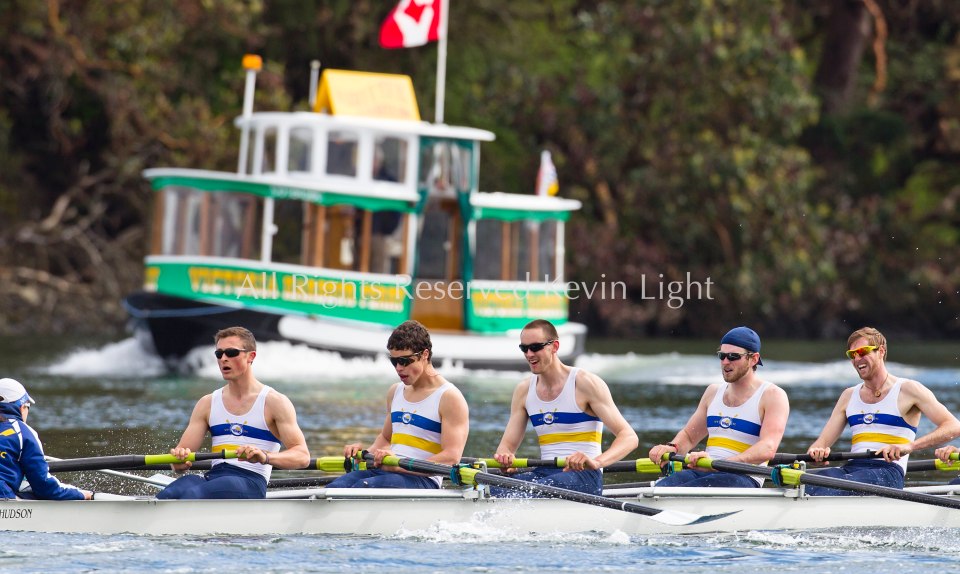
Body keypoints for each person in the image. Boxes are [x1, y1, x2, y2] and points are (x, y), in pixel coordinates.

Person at [156, 326, 310, 499]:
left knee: (193, 494)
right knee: (169, 494)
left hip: (250, 481)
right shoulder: (207, 403)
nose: (223, 359)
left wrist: (264, 456)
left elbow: (302, 456)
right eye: (219, 354)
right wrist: (178, 460)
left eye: (231, 353)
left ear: (251, 356)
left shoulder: (274, 402)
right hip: (214, 476)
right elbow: (179, 464)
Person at [804, 326, 960, 495]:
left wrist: (909, 446)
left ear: (881, 351)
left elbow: (953, 426)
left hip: (888, 471)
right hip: (852, 468)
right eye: (852, 354)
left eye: (863, 352)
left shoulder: (908, 390)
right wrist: (817, 452)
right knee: (809, 485)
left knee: (833, 488)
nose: (857, 359)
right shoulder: (848, 395)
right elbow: (821, 444)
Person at [492, 319, 639, 496]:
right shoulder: (524, 390)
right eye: (524, 348)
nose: (529, 354)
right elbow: (506, 447)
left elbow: (629, 437)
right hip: (545, 472)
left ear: (554, 346)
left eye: (536, 347)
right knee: (488, 488)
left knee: (528, 492)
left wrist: (597, 462)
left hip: (584, 476)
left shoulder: (585, 383)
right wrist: (505, 459)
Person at [326, 320, 469, 488]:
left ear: (424, 354)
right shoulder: (395, 392)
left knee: (361, 488)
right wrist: (364, 453)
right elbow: (385, 438)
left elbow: (452, 457)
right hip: (387, 472)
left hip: (423, 479)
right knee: (333, 489)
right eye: (394, 362)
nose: (399, 368)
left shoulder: (449, 397)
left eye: (404, 361)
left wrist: (400, 464)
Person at [648, 326, 790, 487]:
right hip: (705, 470)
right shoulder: (712, 392)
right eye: (722, 356)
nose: (725, 362)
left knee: (680, 492)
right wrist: (671, 448)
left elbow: (767, 448)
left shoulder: (773, 396)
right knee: (661, 488)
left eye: (733, 356)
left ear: (754, 359)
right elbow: (689, 436)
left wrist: (718, 464)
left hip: (744, 476)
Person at [0, 377, 92, 500]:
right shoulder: (23, 432)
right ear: (22, 406)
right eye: (28, 407)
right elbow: (44, 487)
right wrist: (81, 494)